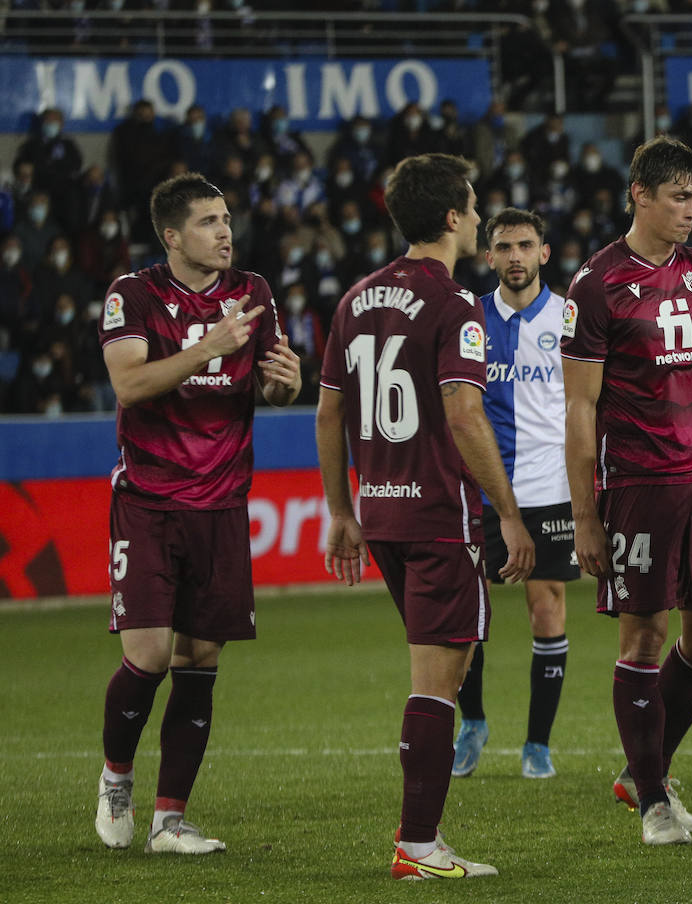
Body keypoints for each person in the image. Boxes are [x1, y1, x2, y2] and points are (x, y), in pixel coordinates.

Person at [315, 153, 534, 880]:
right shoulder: (455, 304)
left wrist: (340, 510)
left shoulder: (355, 299)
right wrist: (507, 512)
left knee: (441, 666)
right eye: (473, 208)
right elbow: (466, 413)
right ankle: (418, 845)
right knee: (437, 682)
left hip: (381, 514)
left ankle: (420, 838)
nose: (478, 218)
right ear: (450, 216)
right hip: (440, 514)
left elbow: (330, 411)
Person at [95, 172, 301, 855]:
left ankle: (170, 820)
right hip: (150, 499)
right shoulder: (133, 296)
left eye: (226, 218)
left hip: (221, 502)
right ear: (172, 235)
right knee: (148, 654)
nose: (225, 232)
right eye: (209, 221)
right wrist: (206, 350)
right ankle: (116, 777)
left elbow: (269, 385)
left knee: (200, 658)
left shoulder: (254, 293)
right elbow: (129, 382)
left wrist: (282, 386)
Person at [561, 135, 692, 846]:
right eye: (677, 197)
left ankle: (648, 769)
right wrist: (586, 514)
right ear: (639, 195)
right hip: (638, 483)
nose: (690, 211)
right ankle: (652, 803)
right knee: (644, 635)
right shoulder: (596, 283)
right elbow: (581, 409)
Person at [449, 207, 580, 781]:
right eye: (504, 247)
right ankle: (472, 721)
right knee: (463, 615)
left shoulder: (568, 319)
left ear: (544, 253)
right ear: (489, 256)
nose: (515, 257)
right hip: (478, 490)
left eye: (526, 246)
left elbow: (582, 406)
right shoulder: (469, 320)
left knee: (546, 606)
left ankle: (538, 744)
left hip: (549, 487)